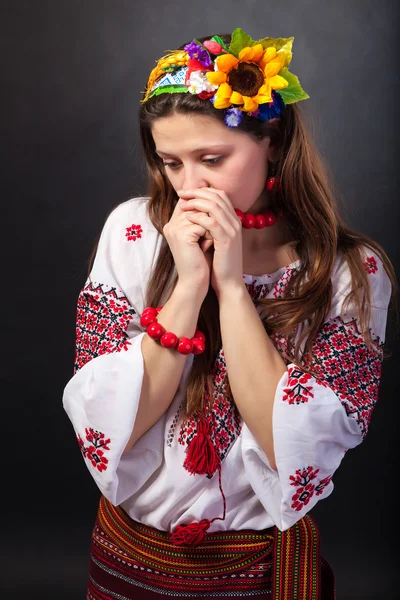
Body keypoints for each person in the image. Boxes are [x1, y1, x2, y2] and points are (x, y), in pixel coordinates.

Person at [62, 28, 398, 599]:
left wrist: (232, 288)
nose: (190, 186)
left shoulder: (349, 270)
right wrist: (190, 284)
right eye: (171, 163)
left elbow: (289, 444)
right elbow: (114, 427)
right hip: (130, 558)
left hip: (256, 572)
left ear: (272, 139)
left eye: (212, 159)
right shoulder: (135, 232)